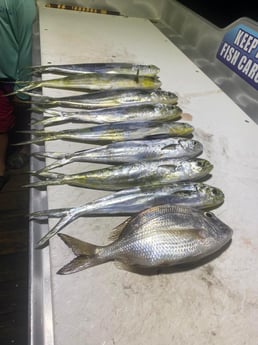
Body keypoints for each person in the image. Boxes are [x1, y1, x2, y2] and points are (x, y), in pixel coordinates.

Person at [0, 0, 37, 190]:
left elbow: (27, 44)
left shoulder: (21, 2)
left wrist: (22, 87)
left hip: (13, 75)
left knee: (25, 116)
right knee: (1, 125)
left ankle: (25, 149)